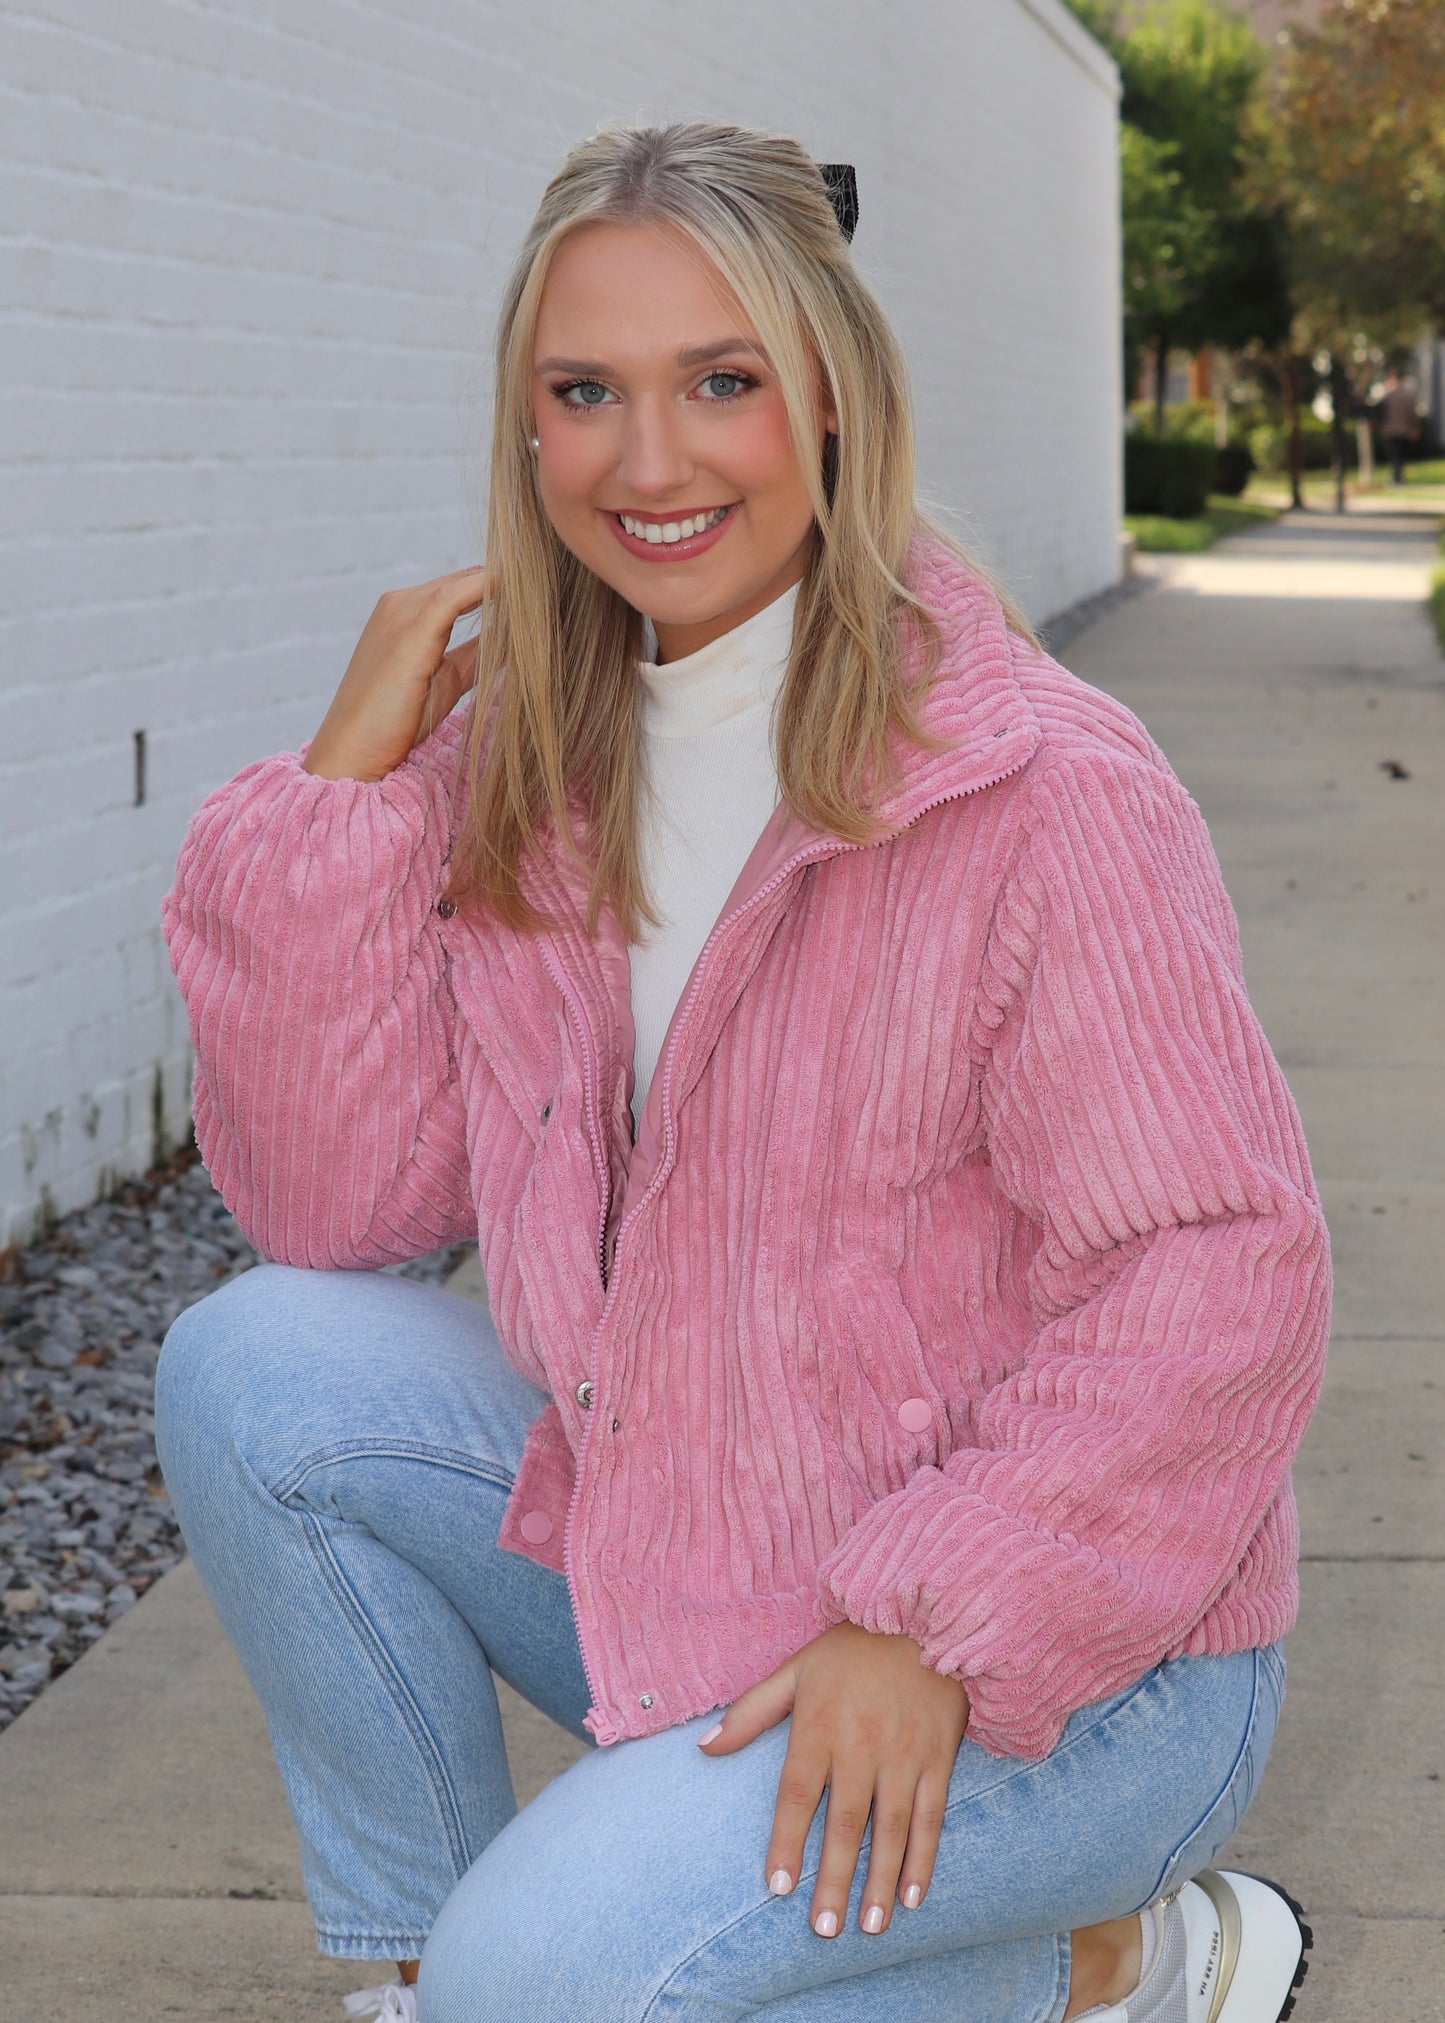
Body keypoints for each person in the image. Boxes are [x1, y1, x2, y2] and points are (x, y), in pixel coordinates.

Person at [156, 122, 1328, 2023]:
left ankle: (1126, 1953)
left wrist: (933, 1615)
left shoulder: (1038, 788)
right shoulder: (534, 772)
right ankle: (413, 1973)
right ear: (526, 430)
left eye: (724, 383)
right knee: (254, 1362)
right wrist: (343, 801)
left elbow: (1220, 1273)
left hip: (1077, 1660)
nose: (649, 460)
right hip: (691, 1554)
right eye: (585, 393)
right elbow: (337, 1213)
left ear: (834, 402)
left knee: (546, 1978)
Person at [1379, 371, 1419, 485]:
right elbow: (1413, 414)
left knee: (1394, 456)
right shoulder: (1407, 395)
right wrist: (1415, 427)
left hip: (1391, 430)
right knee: (1400, 455)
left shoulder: (1388, 395)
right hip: (1404, 430)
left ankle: (1396, 478)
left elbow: (1380, 411)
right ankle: (1398, 477)